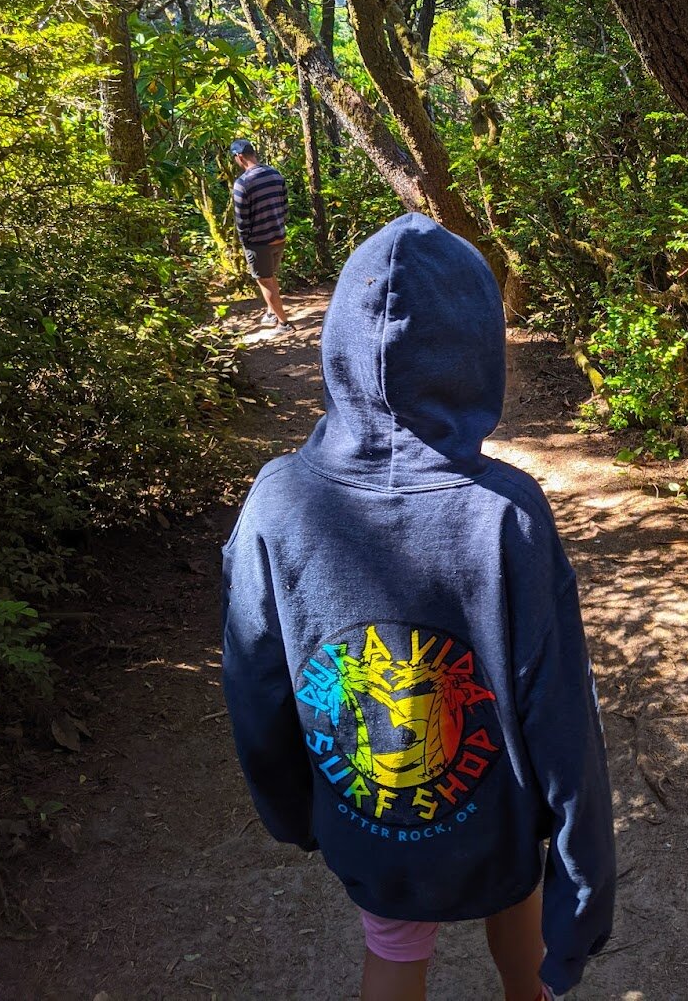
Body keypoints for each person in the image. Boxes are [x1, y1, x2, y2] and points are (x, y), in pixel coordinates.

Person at [221, 213, 615, 1001]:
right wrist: (582, 891)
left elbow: (252, 679)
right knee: (514, 896)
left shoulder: (277, 500)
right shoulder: (507, 513)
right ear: (477, 352)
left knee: (393, 945)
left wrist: (295, 810)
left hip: (368, 820)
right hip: (497, 820)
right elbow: (563, 713)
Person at [230, 138, 294, 337]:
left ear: (239, 157)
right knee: (270, 275)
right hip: (278, 236)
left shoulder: (242, 184)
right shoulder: (275, 174)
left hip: (259, 242)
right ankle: (271, 312)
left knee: (264, 280)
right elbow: (284, 207)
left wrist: (244, 242)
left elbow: (242, 219)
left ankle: (283, 323)